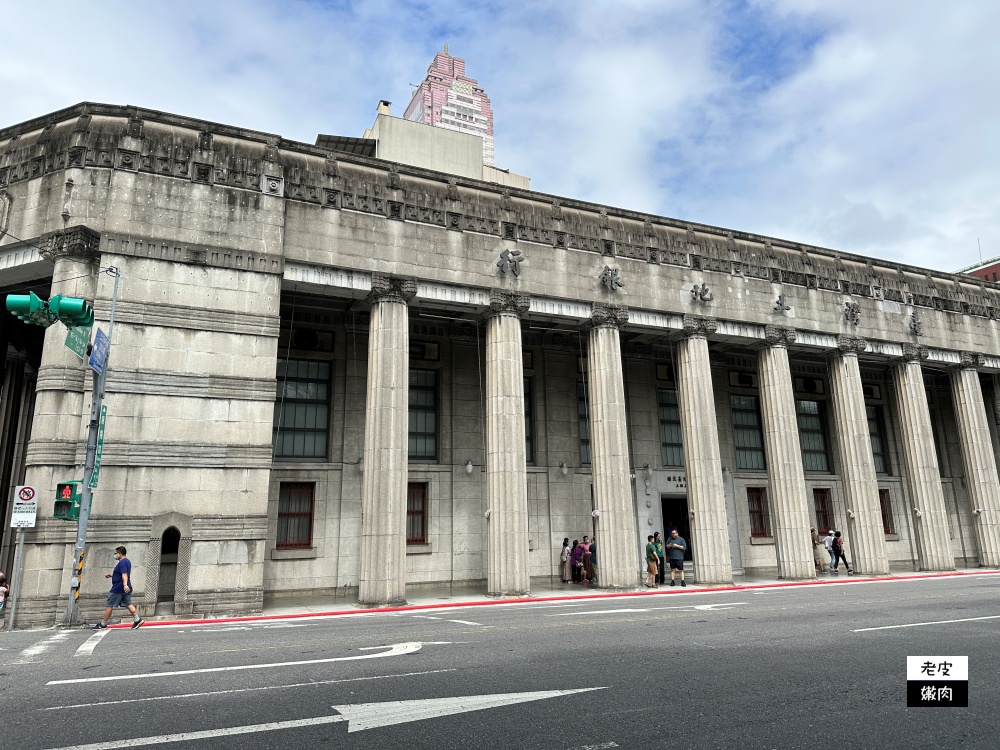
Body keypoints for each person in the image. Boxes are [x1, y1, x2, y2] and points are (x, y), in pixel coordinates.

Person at [93, 546, 144, 629]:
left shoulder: (122, 562)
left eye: (115, 553)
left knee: (109, 604)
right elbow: (122, 574)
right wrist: (112, 575)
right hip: (125, 587)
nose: (115, 555)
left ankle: (103, 624)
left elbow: (124, 574)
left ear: (120, 554)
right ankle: (137, 619)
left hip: (118, 588)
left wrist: (124, 585)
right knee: (128, 603)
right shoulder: (127, 562)